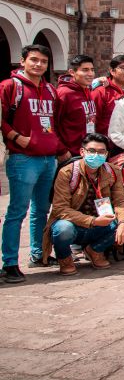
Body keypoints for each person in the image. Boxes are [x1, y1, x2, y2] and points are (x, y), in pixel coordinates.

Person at [1, 44, 62, 280]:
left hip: (48, 157)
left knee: (41, 210)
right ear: (22, 61)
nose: (38, 65)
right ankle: (9, 262)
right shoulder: (10, 86)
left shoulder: (50, 90)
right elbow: (2, 118)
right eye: (34, 60)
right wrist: (16, 137)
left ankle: (38, 253)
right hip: (23, 158)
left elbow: (53, 120)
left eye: (43, 62)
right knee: (17, 211)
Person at [45, 133, 124, 276]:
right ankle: (64, 258)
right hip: (75, 224)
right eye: (92, 151)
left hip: (101, 224)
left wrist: (123, 222)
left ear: (107, 154)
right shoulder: (67, 172)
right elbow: (60, 209)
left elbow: (121, 200)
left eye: (101, 152)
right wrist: (93, 221)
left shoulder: (113, 171)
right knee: (63, 228)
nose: (96, 155)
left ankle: (95, 250)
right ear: (82, 152)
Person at [55, 54, 97, 159]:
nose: (90, 74)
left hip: (87, 153)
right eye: (85, 70)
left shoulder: (88, 90)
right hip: (69, 154)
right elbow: (52, 125)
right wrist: (62, 151)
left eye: (92, 70)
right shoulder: (64, 93)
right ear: (72, 72)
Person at [92, 54, 124, 136]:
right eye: (123, 68)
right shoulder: (101, 91)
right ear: (112, 71)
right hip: (106, 143)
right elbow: (92, 121)